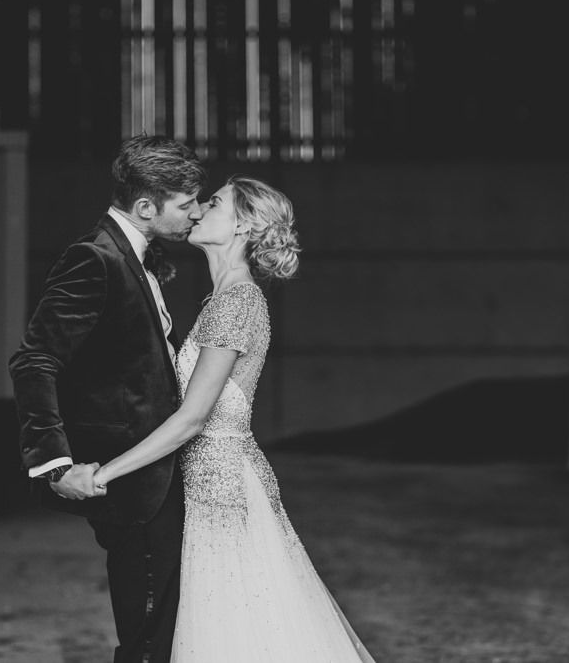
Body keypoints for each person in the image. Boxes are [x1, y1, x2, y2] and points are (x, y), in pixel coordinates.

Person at [89, 177, 376, 662]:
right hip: (208, 481)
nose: (199, 209)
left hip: (219, 488)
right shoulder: (225, 299)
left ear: (242, 224)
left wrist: (104, 474)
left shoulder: (235, 302)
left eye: (214, 202)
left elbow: (192, 419)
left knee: (233, 623)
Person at [8, 134, 206, 663]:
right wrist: (54, 464)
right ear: (145, 207)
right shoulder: (94, 259)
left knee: (159, 628)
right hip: (133, 479)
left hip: (158, 471)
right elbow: (35, 360)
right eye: (185, 205)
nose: (195, 214)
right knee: (145, 633)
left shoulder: (138, 254)